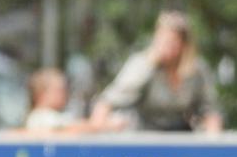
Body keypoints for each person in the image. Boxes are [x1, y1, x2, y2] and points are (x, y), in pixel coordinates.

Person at [90, 11, 223, 132]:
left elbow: (210, 109)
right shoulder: (143, 65)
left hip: (181, 135)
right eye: (161, 39)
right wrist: (98, 128)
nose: (165, 46)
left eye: (172, 41)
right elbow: (109, 99)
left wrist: (213, 139)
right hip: (145, 136)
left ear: (184, 45)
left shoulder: (197, 69)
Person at [24, 67, 122, 134]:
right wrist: (97, 122)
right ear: (41, 94)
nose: (65, 94)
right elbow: (66, 130)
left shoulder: (52, 115)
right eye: (59, 90)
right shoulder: (38, 117)